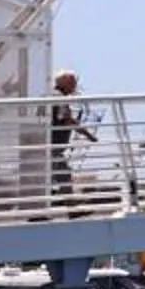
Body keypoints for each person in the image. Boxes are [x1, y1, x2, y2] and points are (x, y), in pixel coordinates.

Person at [46, 71, 91, 202]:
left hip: (49, 146)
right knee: (62, 175)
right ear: (65, 83)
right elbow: (67, 119)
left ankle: (71, 206)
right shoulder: (59, 98)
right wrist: (87, 134)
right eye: (72, 83)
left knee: (61, 176)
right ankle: (71, 207)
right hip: (52, 147)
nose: (75, 87)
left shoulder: (48, 95)